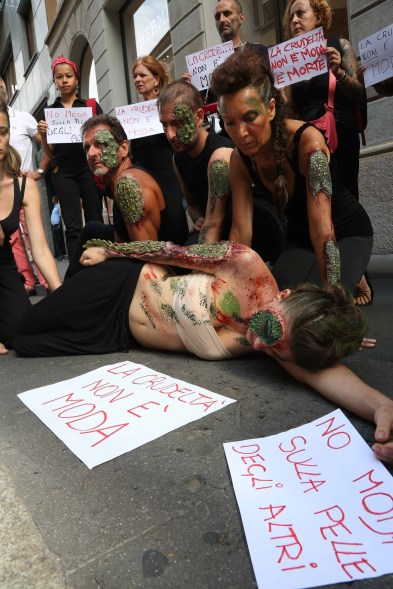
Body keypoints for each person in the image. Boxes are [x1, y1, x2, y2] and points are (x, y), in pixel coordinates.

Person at [12, 238, 393, 465]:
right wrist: (111, 251)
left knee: (27, 346)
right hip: (118, 287)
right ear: (284, 295)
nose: (261, 346)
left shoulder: (283, 343)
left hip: (115, 337)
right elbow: (171, 251)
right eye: (267, 328)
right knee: (21, 330)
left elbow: (327, 378)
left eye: (279, 350)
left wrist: (381, 407)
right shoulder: (245, 265)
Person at [209, 50, 373, 294]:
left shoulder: (309, 144)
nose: (241, 134)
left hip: (346, 233)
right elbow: (241, 233)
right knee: (275, 304)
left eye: (250, 117)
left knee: (313, 314)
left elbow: (323, 231)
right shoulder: (238, 160)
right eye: (230, 122)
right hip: (299, 240)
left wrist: (333, 298)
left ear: (271, 108)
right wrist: (227, 290)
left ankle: (354, 277)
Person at [64, 113, 166, 279]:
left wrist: (107, 253)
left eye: (101, 144)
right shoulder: (117, 181)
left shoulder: (127, 184)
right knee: (91, 230)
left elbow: (149, 258)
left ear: (124, 148)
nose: (91, 153)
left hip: (160, 273)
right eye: (87, 148)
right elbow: (123, 236)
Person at [282, 0, 365, 201]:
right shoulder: (288, 60)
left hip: (342, 140)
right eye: (291, 17)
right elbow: (291, 110)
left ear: (318, 17)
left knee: (346, 196)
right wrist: (281, 97)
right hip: (308, 142)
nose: (294, 21)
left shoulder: (339, 45)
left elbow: (358, 92)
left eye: (300, 13)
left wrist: (340, 74)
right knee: (316, 198)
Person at [0, 94, 62, 355]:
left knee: (22, 333)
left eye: (2, 132)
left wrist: (61, 296)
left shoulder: (24, 186)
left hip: (3, 272)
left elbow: (40, 249)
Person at [37, 56, 103, 261]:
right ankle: (76, 269)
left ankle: (101, 263)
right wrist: (44, 136)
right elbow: (49, 152)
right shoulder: (51, 111)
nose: (64, 80)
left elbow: (104, 137)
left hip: (89, 169)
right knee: (72, 226)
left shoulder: (90, 106)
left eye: (68, 76)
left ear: (76, 78)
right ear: (55, 81)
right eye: (59, 77)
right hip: (63, 171)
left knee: (95, 219)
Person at [157, 80, 233, 243]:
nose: (170, 134)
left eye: (177, 123)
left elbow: (216, 224)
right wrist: (198, 218)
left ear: (199, 117)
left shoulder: (221, 153)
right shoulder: (178, 158)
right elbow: (191, 205)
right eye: (164, 125)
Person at [130, 56, 188, 245]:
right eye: (134, 76)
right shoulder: (132, 113)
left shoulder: (168, 105)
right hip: (143, 174)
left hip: (168, 172)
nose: (137, 79)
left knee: (173, 221)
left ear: (156, 79)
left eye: (142, 75)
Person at [0, 77, 50, 296]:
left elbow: (46, 145)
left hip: (22, 185)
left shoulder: (22, 118)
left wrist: (40, 170)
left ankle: (47, 282)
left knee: (33, 234)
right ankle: (27, 281)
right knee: (13, 239)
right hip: (3, 189)